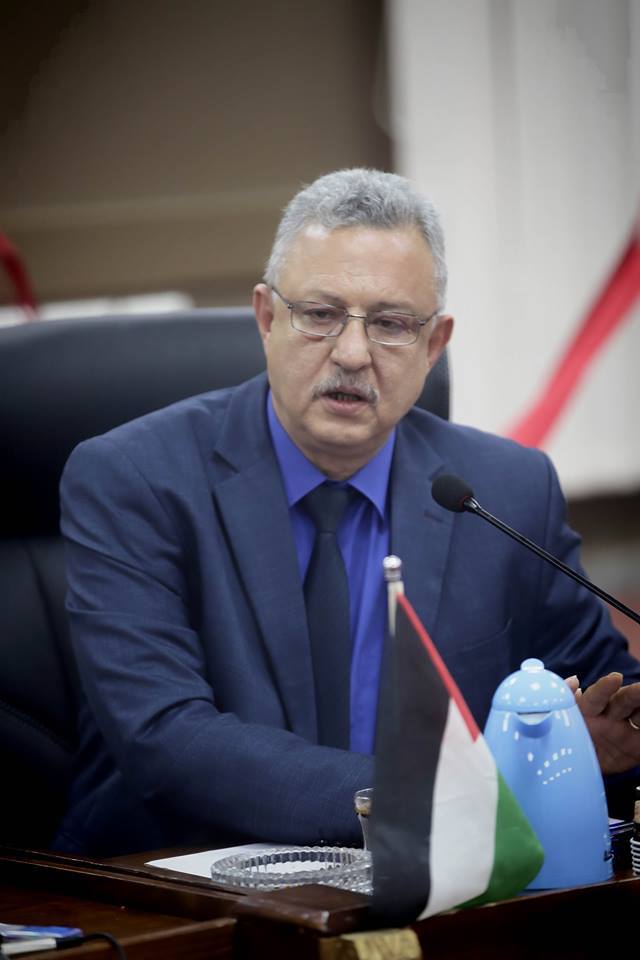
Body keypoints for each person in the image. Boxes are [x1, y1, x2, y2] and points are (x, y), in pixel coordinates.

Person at [54, 168, 640, 857]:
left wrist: (601, 744)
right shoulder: (133, 479)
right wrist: (432, 798)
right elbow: (165, 735)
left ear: (434, 345)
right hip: (175, 887)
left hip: (445, 886)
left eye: (391, 324)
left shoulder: (508, 490)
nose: (353, 354)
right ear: (267, 318)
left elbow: (604, 708)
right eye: (320, 314)